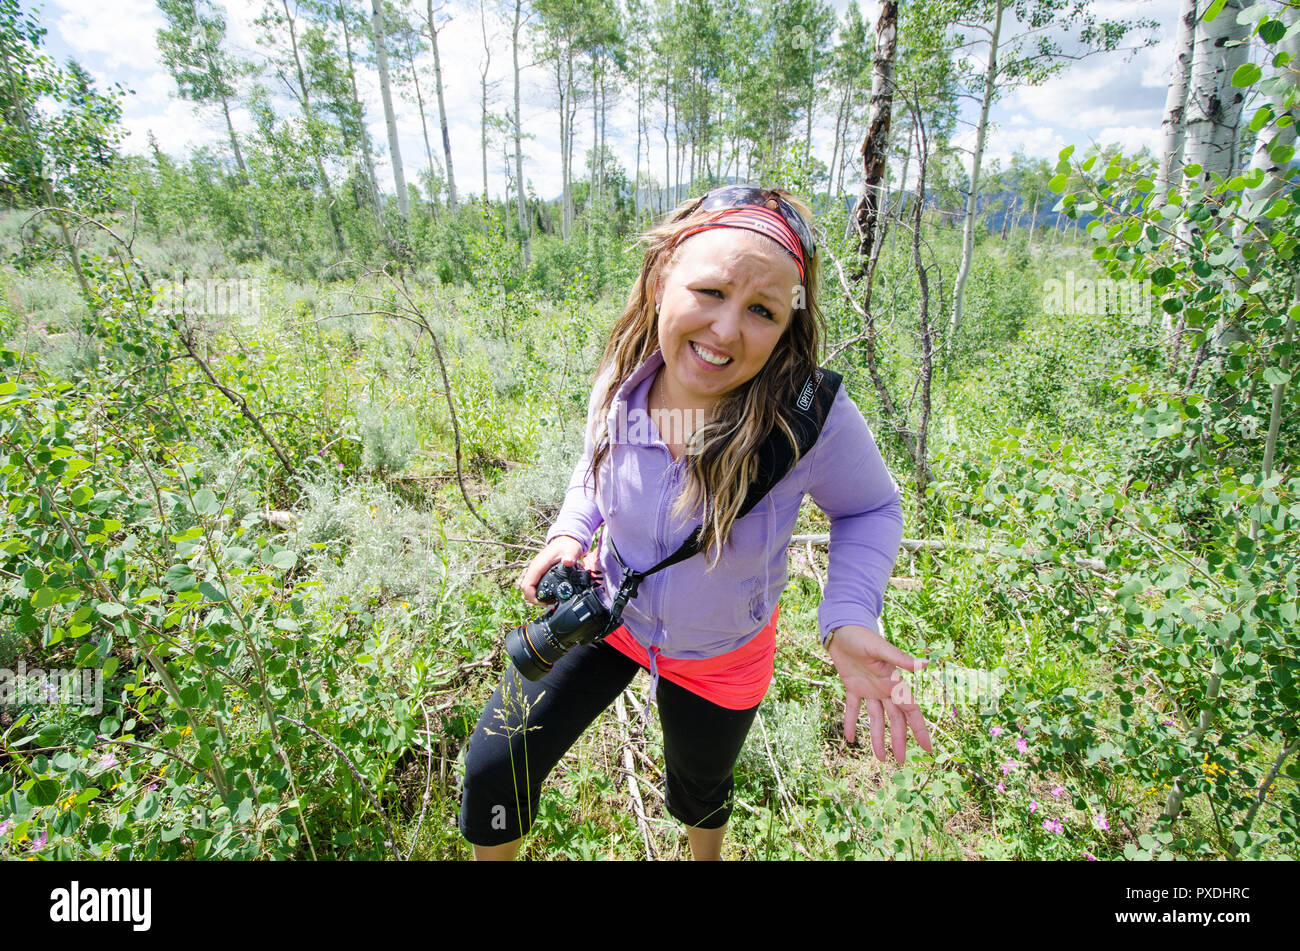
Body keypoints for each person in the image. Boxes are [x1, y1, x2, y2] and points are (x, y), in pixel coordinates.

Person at [457, 184, 932, 861]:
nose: (728, 330)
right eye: (710, 291)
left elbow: (871, 506)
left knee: (700, 788)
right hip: (609, 616)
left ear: (786, 325)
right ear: (659, 279)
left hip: (723, 654)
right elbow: (595, 464)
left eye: (762, 310)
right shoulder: (624, 374)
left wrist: (851, 610)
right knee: (491, 765)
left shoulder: (807, 417)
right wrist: (572, 528)